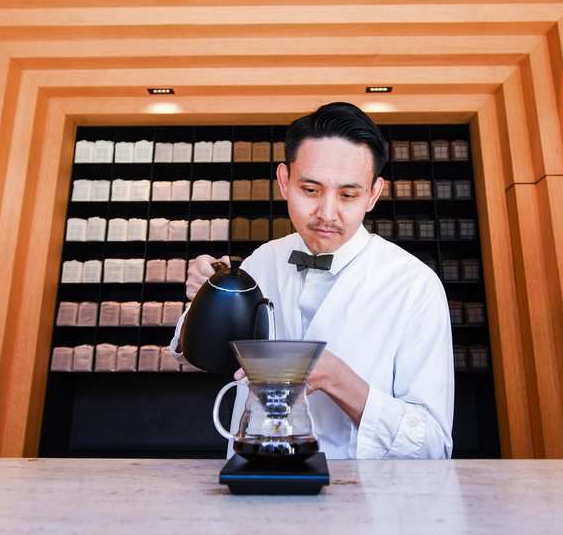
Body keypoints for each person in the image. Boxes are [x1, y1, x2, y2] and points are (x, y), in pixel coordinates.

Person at [171, 102, 454, 459]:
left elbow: (433, 446)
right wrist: (205, 299)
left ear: (373, 194)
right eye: (310, 190)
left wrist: (339, 379)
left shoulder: (416, 287)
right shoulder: (263, 260)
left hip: (363, 503)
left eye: (348, 195)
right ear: (285, 182)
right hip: (252, 490)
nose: (326, 213)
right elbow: (193, 353)